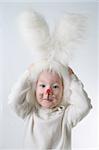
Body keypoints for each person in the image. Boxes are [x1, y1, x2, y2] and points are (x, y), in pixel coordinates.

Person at [8, 11, 92, 150]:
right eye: (42, 85)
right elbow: (14, 101)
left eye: (55, 86)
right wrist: (28, 75)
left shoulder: (66, 116)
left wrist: (72, 78)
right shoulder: (30, 112)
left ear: (64, 90)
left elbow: (85, 106)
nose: (48, 91)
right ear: (34, 88)